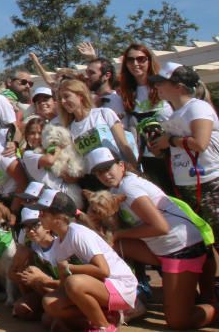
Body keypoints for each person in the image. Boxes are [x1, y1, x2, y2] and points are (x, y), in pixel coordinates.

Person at [89, 147, 213, 329]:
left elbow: (160, 227)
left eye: (109, 168)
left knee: (178, 321)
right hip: (162, 249)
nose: (105, 175)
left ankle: (213, 308)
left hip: (181, 249)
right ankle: (129, 299)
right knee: (106, 246)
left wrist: (119, 234)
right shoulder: (117, 189)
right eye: (99, 173)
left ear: (121, 166)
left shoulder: (129, 188)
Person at [36, 190, 138, 332]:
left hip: (121, 286)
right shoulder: (59, 242)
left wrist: (70, 267)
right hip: (100, 286)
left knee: (74, 283)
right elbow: (64, 284)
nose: (39, 216)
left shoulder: (78, 233)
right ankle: (106, 314)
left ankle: (105, 327)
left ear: (58, 218)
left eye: (43, 213)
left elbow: (103, 270)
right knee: (50, 304)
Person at [149, 62, 219, 237]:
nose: (156, 86)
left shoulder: (197, 107)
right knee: (207, 239)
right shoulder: (175, 114)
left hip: (210, 181)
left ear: (179, 87)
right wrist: (159, 145)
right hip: (188, 183)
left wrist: (170, 140)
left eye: (161, 82)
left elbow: (200, 143)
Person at [119, 43, 173, 191]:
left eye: (141, 59)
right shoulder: (126, 92)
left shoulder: (165, 84)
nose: (135, 64)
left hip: (174, 153)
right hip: (149, 160)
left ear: (149, 60)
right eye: (130, 60)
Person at [58, 79, 137, 169]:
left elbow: (124, 145)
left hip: (117, 171)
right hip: (94, 177)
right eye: (61, 99)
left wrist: (136, 169)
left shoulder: (104, 114)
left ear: (80, 96)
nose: (62, 102)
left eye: (66, 96)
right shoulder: (69, 129)